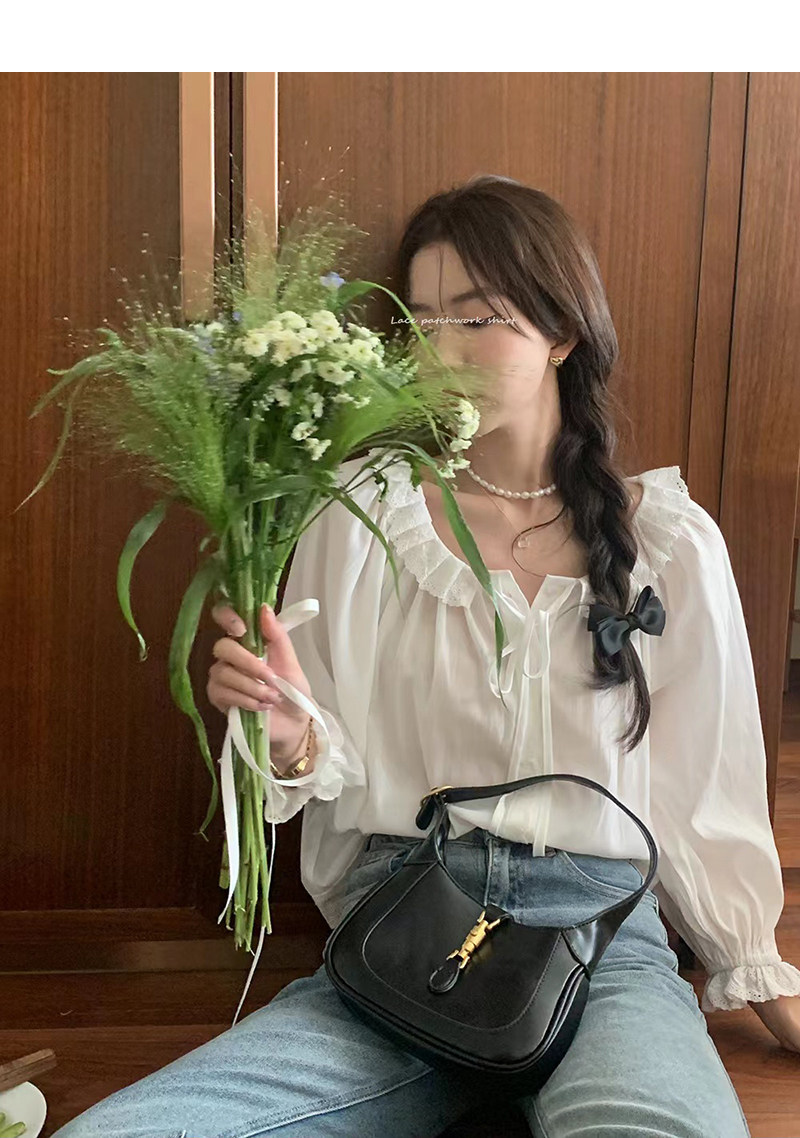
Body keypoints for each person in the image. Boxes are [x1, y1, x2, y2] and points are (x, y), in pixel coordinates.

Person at [54, 176, 800, 1138]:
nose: (440, 351)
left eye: (477, 319)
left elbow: (706, 785)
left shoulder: (670, 541)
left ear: (562, 332)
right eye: (421, 322)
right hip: (406, 929)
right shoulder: (363, 513)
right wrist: (286, 738)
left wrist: (757, 973)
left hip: (606, 942)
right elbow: (317, 753)